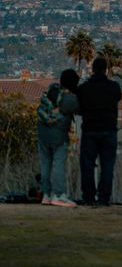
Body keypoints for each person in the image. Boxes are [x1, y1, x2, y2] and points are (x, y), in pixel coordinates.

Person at [77, 56, 122, 206]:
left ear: (93, 69)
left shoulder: (84, 88)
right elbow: (119, 97)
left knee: (87, 165)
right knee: (107, 166)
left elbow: (79, 107)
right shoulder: (114, 87)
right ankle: (104, 198)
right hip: (109, 130)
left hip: (90, 130)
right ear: (106, 70)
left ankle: (88, 197)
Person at [37, 68, 80, 207]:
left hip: (43, 133)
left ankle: (46, 194)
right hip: (58, 136)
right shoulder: (69, 100)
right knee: (58, 164)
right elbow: (79, 108)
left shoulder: (51, 91)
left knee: (45, 164)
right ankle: (59, 195)